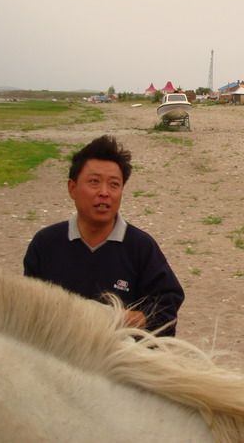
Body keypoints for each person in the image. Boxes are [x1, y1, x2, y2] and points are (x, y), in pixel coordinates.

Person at [24, 135, 185, 336]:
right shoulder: (46, 244)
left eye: (114, 184)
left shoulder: (140, 247)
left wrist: (132, 319)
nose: (104, 192)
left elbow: (168, 303)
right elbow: (28, 309)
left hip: (120, 359)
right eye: (94, 182)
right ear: (72, 188)